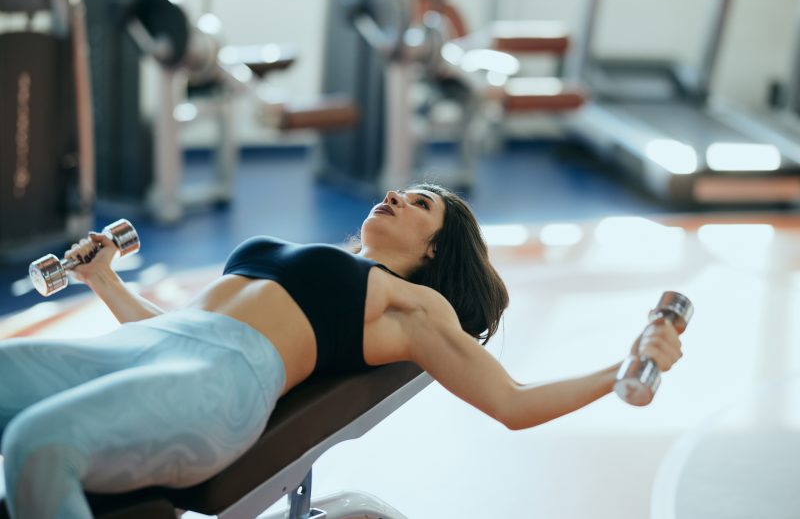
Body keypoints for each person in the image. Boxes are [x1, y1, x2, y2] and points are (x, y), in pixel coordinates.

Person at [0, 184, 683, 519]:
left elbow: (512, 401)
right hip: (157, 346)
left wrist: (622, 367)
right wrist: (103, 279)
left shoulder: (408, 304)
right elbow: (176, 323)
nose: (394, 195)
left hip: (224, 378)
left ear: (433, 249)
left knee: (39, 443)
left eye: (418, 203)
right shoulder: (320, 254)